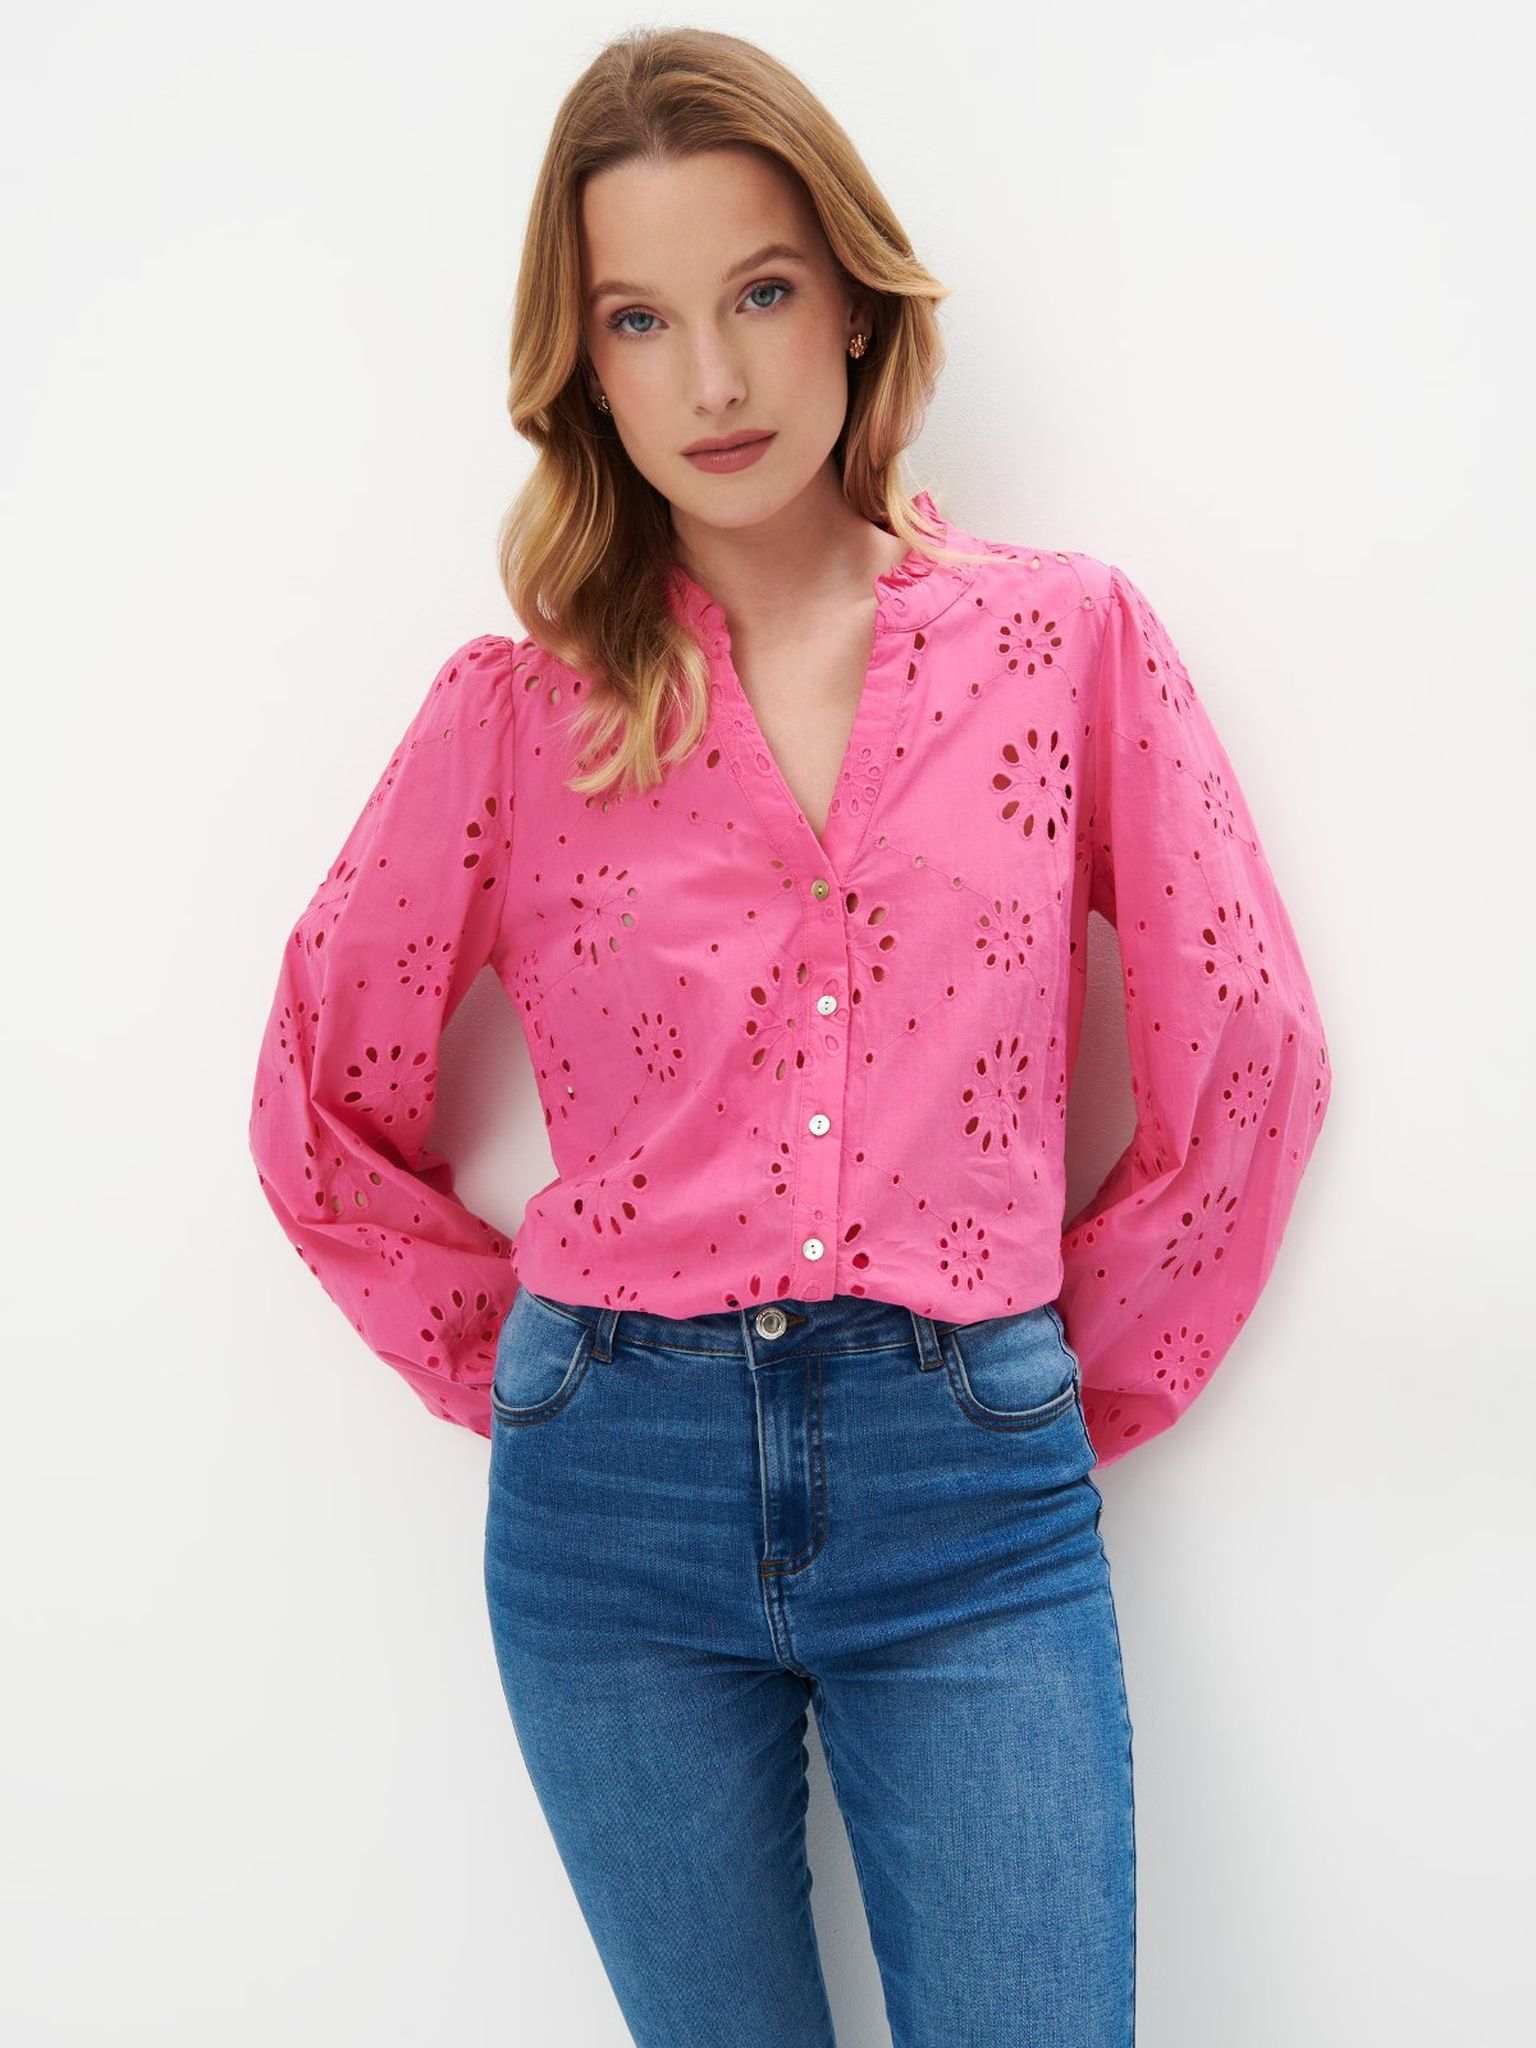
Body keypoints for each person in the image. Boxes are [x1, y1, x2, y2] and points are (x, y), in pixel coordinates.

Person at [247, 26, 1332, 2048]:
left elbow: (1244, 1044)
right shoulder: (516, 715)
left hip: (972, 1509)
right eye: (640, 320)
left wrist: (1034, 1387)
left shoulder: (1058, 644)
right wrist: (537, 1380)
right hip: (611, 1516)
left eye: (758, 292)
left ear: (851, 296)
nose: (715, 381)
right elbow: (321, 1100)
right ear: (585, 369)